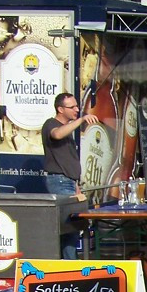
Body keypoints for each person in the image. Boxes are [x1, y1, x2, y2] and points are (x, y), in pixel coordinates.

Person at [42, 92, 99, 258]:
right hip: (59, 181)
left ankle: (69, 263)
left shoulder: (68, 132)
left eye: (77, 106)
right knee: (68, 227)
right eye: (72, 107)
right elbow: (57, 134)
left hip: (69, 182)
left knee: (73, 228)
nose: (77, 109)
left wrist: (76, 186)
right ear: (60, 109)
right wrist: (80, 120)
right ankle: (70, 265)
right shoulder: (50, 124)